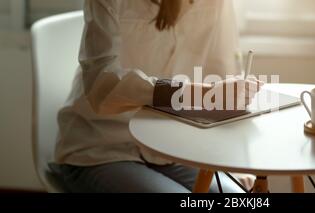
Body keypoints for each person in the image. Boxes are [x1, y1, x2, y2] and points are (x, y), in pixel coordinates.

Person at [50, 0, 262, 193]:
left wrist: (235, 162)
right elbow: (101, 86)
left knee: (240, 199)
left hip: (173, 149)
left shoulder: (215, 4)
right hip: (100, 148)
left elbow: (224, 76)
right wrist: (195, 94)